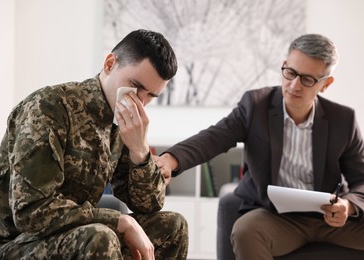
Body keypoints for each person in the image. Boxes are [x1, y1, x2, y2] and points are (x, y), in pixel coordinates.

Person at [0, 29, 188, 260]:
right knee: (100, 236)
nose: (140, 102)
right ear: (109, 64)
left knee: (173, 227)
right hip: (0, 245)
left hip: (59, 236)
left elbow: (149, 205)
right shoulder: (48, 107)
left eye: (151, 96)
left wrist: (140, 151)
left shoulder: (120, 125)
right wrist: (120, 221)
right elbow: (30, 211)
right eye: (135, 85)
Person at [156, 34, 364, 259]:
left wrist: (348, 206)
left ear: (325, 84)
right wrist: (171, 159)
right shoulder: (255, 106)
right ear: (284, 65)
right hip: (275, 218)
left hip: (328, 219)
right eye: (290, 73)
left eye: (307, 79)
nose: (294, 85)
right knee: (246, 230)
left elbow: (361, 179)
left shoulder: (343, 120)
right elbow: (214, 137)